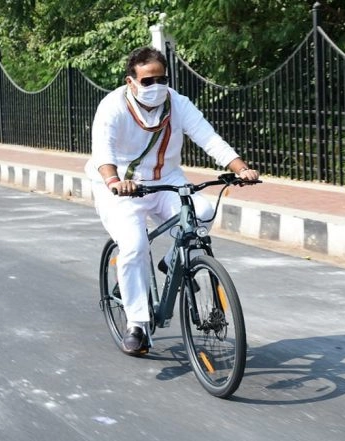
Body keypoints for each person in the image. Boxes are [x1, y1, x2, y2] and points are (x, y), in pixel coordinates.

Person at [85, 46, 259, 355]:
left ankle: (173, 260)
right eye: (147, 81)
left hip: (167, 180)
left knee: (202, 211)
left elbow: (209, 138)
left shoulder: (179, 104)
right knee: (135, 245)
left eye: (161, 79)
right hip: (122, 188)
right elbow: (103, 151)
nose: (156, 86)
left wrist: (241, 169)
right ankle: (137, 324)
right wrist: (114, 182)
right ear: (131, 81)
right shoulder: (112, 107)